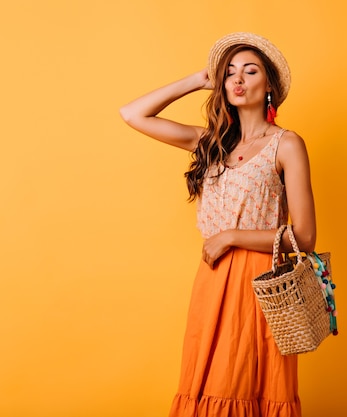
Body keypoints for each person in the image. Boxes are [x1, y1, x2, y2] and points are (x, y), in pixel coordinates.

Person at [120, 32, 316, 417]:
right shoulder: (211, 143)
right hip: (212, 281)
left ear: (270, 86)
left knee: (248, 382)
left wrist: (230, 236)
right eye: (229, 73)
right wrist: (198, 79)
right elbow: (132, 114)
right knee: (205, 381)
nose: (238, 79)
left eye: (250, 71)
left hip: (261, 285)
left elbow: (304, 237)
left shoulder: (287, 145)